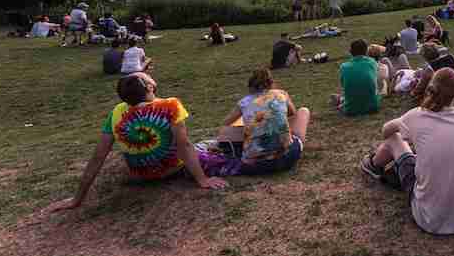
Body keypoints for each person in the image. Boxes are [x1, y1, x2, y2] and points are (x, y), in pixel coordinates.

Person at [46, 73, 226, 212]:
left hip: (141, 175)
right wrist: (202, 179)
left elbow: (98, 156)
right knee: (205, 145)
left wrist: (77, 199)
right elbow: (184, 145)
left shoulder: (116, 112)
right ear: (150, 86)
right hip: (172, 170)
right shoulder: (171, 105)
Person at [359, 68, 454, 235]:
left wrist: (410, 135)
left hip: (429, 219)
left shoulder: (416, 116)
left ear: (430, 88)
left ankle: (373, 165)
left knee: (394, 139)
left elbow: (386, 131)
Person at [209, 69, 310, 175]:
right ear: (271, 84)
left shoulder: (244, 102)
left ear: (250, 87)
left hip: (253, 165)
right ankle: (296, 142)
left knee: (232, 132)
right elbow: (292, 114)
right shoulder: (281, 94)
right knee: (303, 111)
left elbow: (225, 125)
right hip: (286, 159)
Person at [331, 39, 380, 116]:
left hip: (350, 110)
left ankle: (341, 100)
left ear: (350, 52)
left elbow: (344, 86)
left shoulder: (344, 66)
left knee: (339, 98)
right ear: (366, 51)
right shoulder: (372, 62)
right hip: (373, 107)